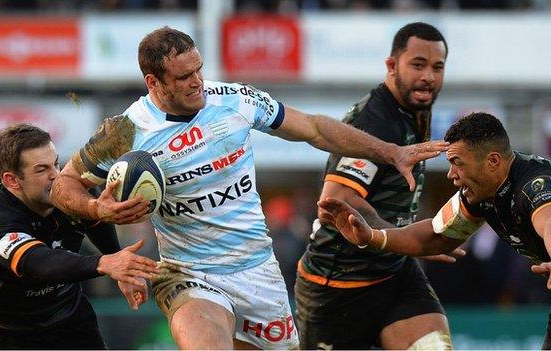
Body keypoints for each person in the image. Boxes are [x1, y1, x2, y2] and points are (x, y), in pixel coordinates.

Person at [49, 26, 447, 349]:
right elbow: (62, 186)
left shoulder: (233, 99)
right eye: (184, 77)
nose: (198, 83)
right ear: (153, 82)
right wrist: (97, 209)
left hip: (258, 271)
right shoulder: (125, 131)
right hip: (190, 272)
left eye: (199, 70)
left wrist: (390, 151)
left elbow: (312, 128)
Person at [319, 111, 551, 349]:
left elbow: (548, 220)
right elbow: (436, 235)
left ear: (492, 161)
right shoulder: (482, 192)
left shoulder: (534, 186)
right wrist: (373, 236)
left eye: (457, 163)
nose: (451, 175)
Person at [294, 22, 458, 350]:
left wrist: (406, 245)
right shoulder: (376, 121)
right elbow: (335, 204)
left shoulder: (413, 107)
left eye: (437, 67)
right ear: (391, 66)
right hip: (337, 286)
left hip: (395, 275)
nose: (428, 76)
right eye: (418, 65)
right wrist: (409, 241)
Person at [0, 123, 159, 349]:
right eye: (41, 169)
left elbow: (94, 220)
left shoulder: (67, 192)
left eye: (56, 164)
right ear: (12, 180)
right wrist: (106, 263)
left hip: (68, 314)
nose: (55, 175)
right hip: (6, 331)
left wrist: (118, 265)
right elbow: (41, 264)